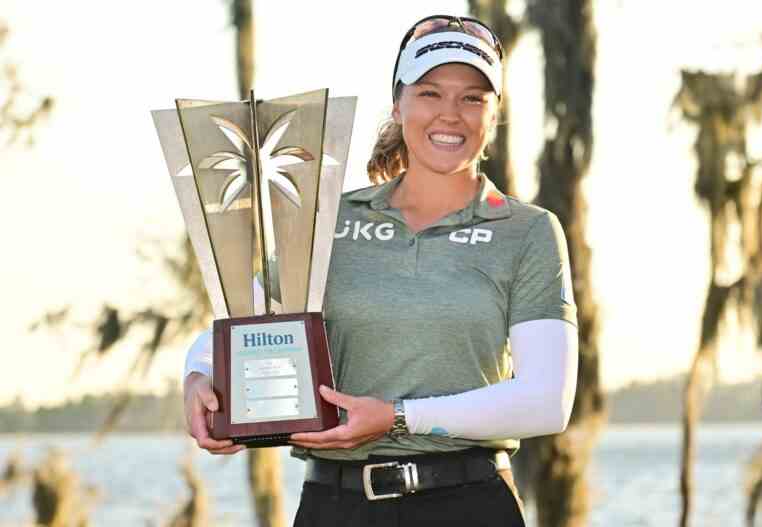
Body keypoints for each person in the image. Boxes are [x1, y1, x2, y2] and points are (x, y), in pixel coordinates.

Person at [183, 14, 578, 527]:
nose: (450, 114)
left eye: (472, 97)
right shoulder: (329, 220)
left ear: (495, 114)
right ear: (398, 104)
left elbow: (546, 401)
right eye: (430, 93)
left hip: (468, 506)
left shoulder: (526, 231)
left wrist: (397, 417)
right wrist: (199, 377)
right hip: (335, 508)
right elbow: (243, 323)